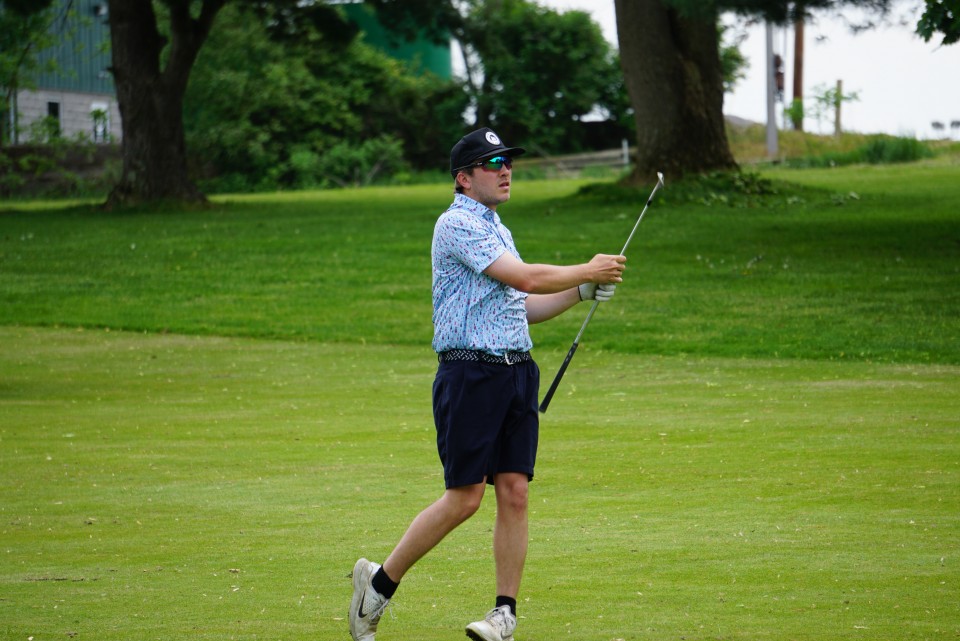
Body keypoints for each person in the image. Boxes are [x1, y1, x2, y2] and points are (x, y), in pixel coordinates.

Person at [349, 127, 626, 641]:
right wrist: (584, 269)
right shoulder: (456, 224)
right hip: (470, 373)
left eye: (508, 162)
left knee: (515, 492)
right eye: (493, 163)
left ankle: (504, 615)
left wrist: (582, 291)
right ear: (463, 178)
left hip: (516, 371)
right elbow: (526, 278)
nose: (505, 170)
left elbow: (523, 307)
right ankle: (379, 585)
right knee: (465, 497)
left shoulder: (498, 228)